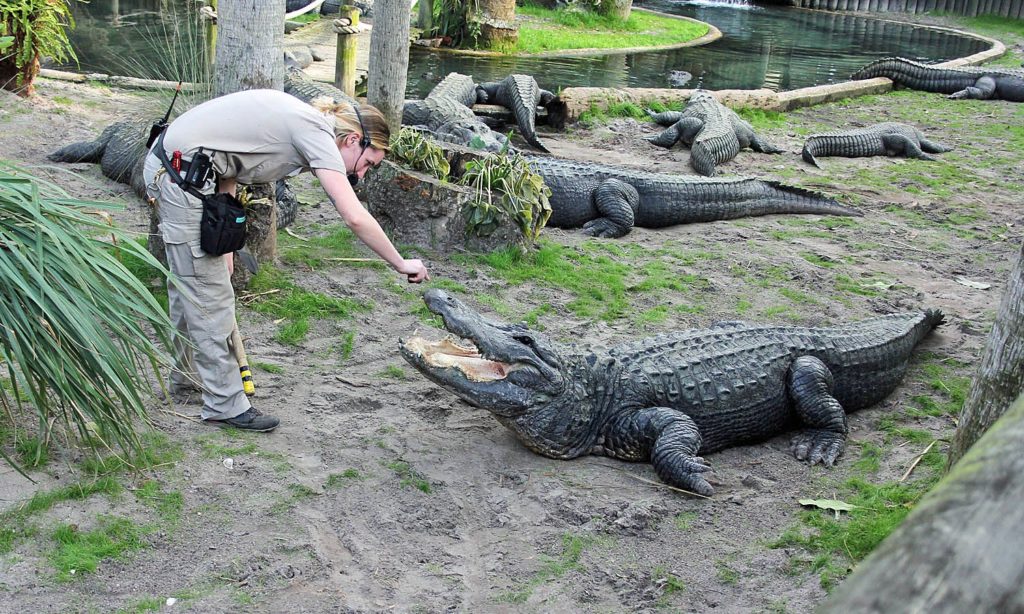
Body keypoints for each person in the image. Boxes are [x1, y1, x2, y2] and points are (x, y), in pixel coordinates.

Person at [143, 89, 429, 433]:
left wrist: (226, 245)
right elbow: (354, 216)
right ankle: (224, 404)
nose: (362, 174)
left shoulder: (306, 122)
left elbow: (230, 164)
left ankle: (187, 380)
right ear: (353, 139)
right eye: (367, 163)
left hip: (185, 171)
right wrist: (400, 263)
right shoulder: (316, 132)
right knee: (209, 295)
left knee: (191, 285)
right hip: (180, 176)